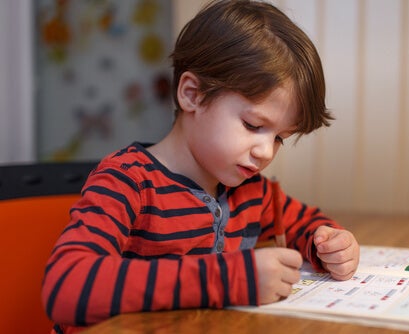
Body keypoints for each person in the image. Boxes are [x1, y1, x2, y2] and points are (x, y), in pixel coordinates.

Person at [41, 0, 360, 332]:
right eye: (253, 125)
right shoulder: (128, 181)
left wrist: (329, 244)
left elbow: (306, 223)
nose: (266, 151)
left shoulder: (250, 191)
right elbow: (66, 285)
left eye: (281, 137)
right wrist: (232, 278)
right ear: (192, 94)